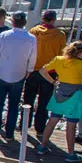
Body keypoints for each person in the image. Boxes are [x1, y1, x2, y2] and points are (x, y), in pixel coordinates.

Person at [37, 42, 82, 163]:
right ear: (80, 52)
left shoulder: (59, 59)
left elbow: (42, 70)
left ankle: (42, 146)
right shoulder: (81, 62)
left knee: (52, 121)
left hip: (59, 92)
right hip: (75, 95)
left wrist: (53, 82)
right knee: (71, 126)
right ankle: (71, 154)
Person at [0, 11, 38, 140]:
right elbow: (32, 57)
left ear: (12, 21)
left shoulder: (4, 35)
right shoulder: (31, 38)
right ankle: (9, 133)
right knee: (13, 105)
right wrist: (29, 70)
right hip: (19, 73)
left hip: (2, 72)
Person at [24, 10, 66, 138]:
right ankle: (40, 128)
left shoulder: (33, 31)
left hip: (33, 70)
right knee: (44, 102)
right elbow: (62, 55)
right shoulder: (60, 35)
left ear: (43, 19)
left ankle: (24, 124)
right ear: (54, 19)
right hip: (49, 72)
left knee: (28, 99)